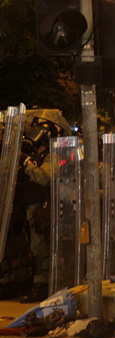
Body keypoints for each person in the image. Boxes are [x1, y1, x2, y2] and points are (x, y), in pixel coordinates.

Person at [17, 117, 62, 302]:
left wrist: (28, 165)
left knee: (41, 250)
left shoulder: (53, 156)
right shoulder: (39, 156)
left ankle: (41, 286)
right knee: (36, 249)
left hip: (44, 210)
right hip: (32, 210)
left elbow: (45, 178)